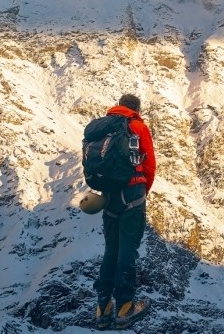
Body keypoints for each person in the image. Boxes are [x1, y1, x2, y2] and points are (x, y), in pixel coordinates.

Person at [94, 93, 155, 330]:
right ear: (136, 109)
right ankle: (125, 307)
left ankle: (103, 308)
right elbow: (149, 164)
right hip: (132, 193)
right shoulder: (138, 126)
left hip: (109, 195)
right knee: (127, 250)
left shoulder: (101, 128)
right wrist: (142, 191)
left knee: (111, 249)